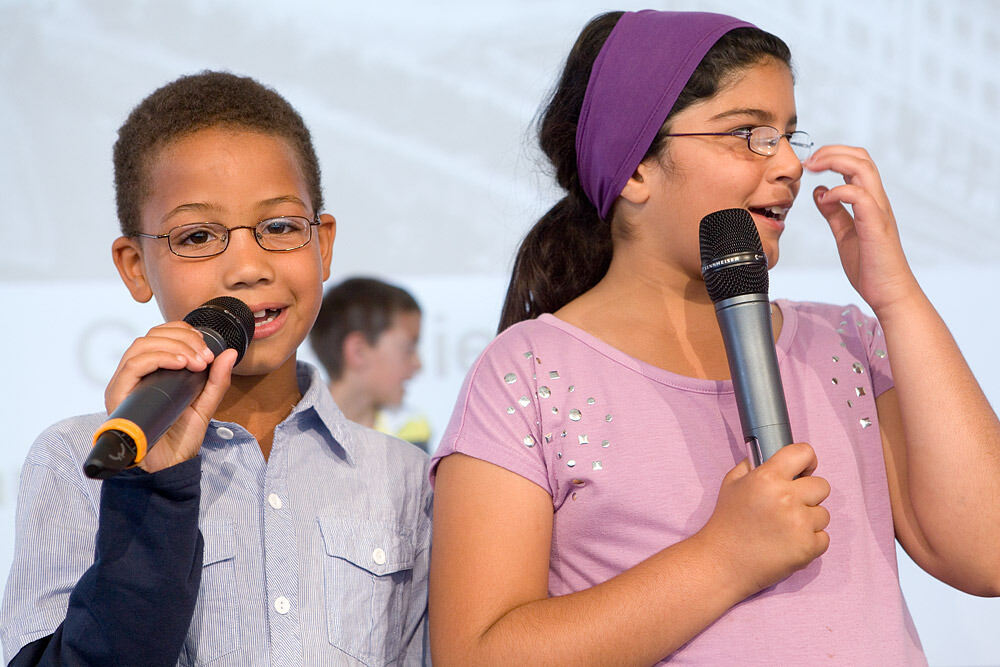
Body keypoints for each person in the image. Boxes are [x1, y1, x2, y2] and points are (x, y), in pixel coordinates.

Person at [428, 10, 1000, 665]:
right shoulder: (530, 372)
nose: (789, 163)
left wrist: (897, 296)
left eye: (788, 135)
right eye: (748, 134)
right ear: (637, 164)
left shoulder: (845, 343)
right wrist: (723, 559)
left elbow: (988, 552)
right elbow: (476, 652)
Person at [0, 71, 431, 666]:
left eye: (280, 227)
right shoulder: (84, 458)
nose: (248, 267)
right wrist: (149, 489)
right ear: (134, 265)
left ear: (323, 244)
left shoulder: (406, 477)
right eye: (198, 236)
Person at [310, 277, 430, 451]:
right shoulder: (297, 434)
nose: (418, 364)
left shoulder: (413, 431)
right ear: (358, 351)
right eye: (408, 349)